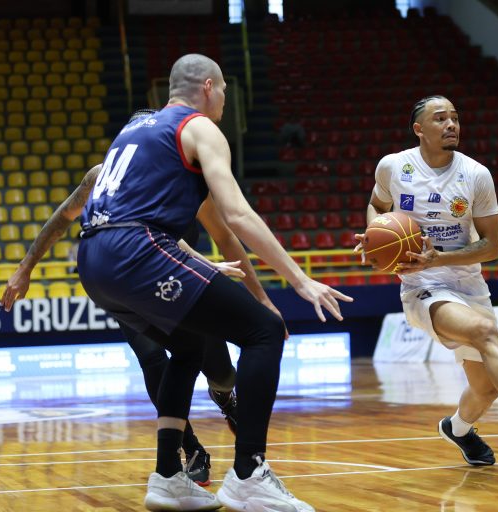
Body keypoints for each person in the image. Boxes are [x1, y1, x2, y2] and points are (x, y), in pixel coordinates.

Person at [77, 54, 352, 511]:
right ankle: (249, 473)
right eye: (223, 88)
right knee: (264, 331)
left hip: (91, 259)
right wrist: (300, 280)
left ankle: (168, 475)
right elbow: (237, 215)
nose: (225, 98)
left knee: (188, 347)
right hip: (137, 251)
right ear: (208, 86)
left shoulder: (135, 129)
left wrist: (254, 291)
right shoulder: (199, 127)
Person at [1, 109, 276, 485]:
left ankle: (225, 397)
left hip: (178, 279)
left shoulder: (181, 175)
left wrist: (227, 275)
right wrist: (25, 266)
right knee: (153, 360)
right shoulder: (101, 178)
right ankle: (190, 449)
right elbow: (63, 218)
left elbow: (194, 235)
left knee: (219, 370)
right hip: (134, 279)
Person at [355, 95, 498, 468]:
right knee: (484, 331)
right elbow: (378, 207)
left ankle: (457, 429)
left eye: (455, 118)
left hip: (468, 284)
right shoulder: (393, 167)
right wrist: (374, 236)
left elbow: (491, 246)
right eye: (440, 118)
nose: (451, 125)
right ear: (419, 129)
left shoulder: (476, 175)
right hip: (422, 285)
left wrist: (441, 257)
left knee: (486, 387)